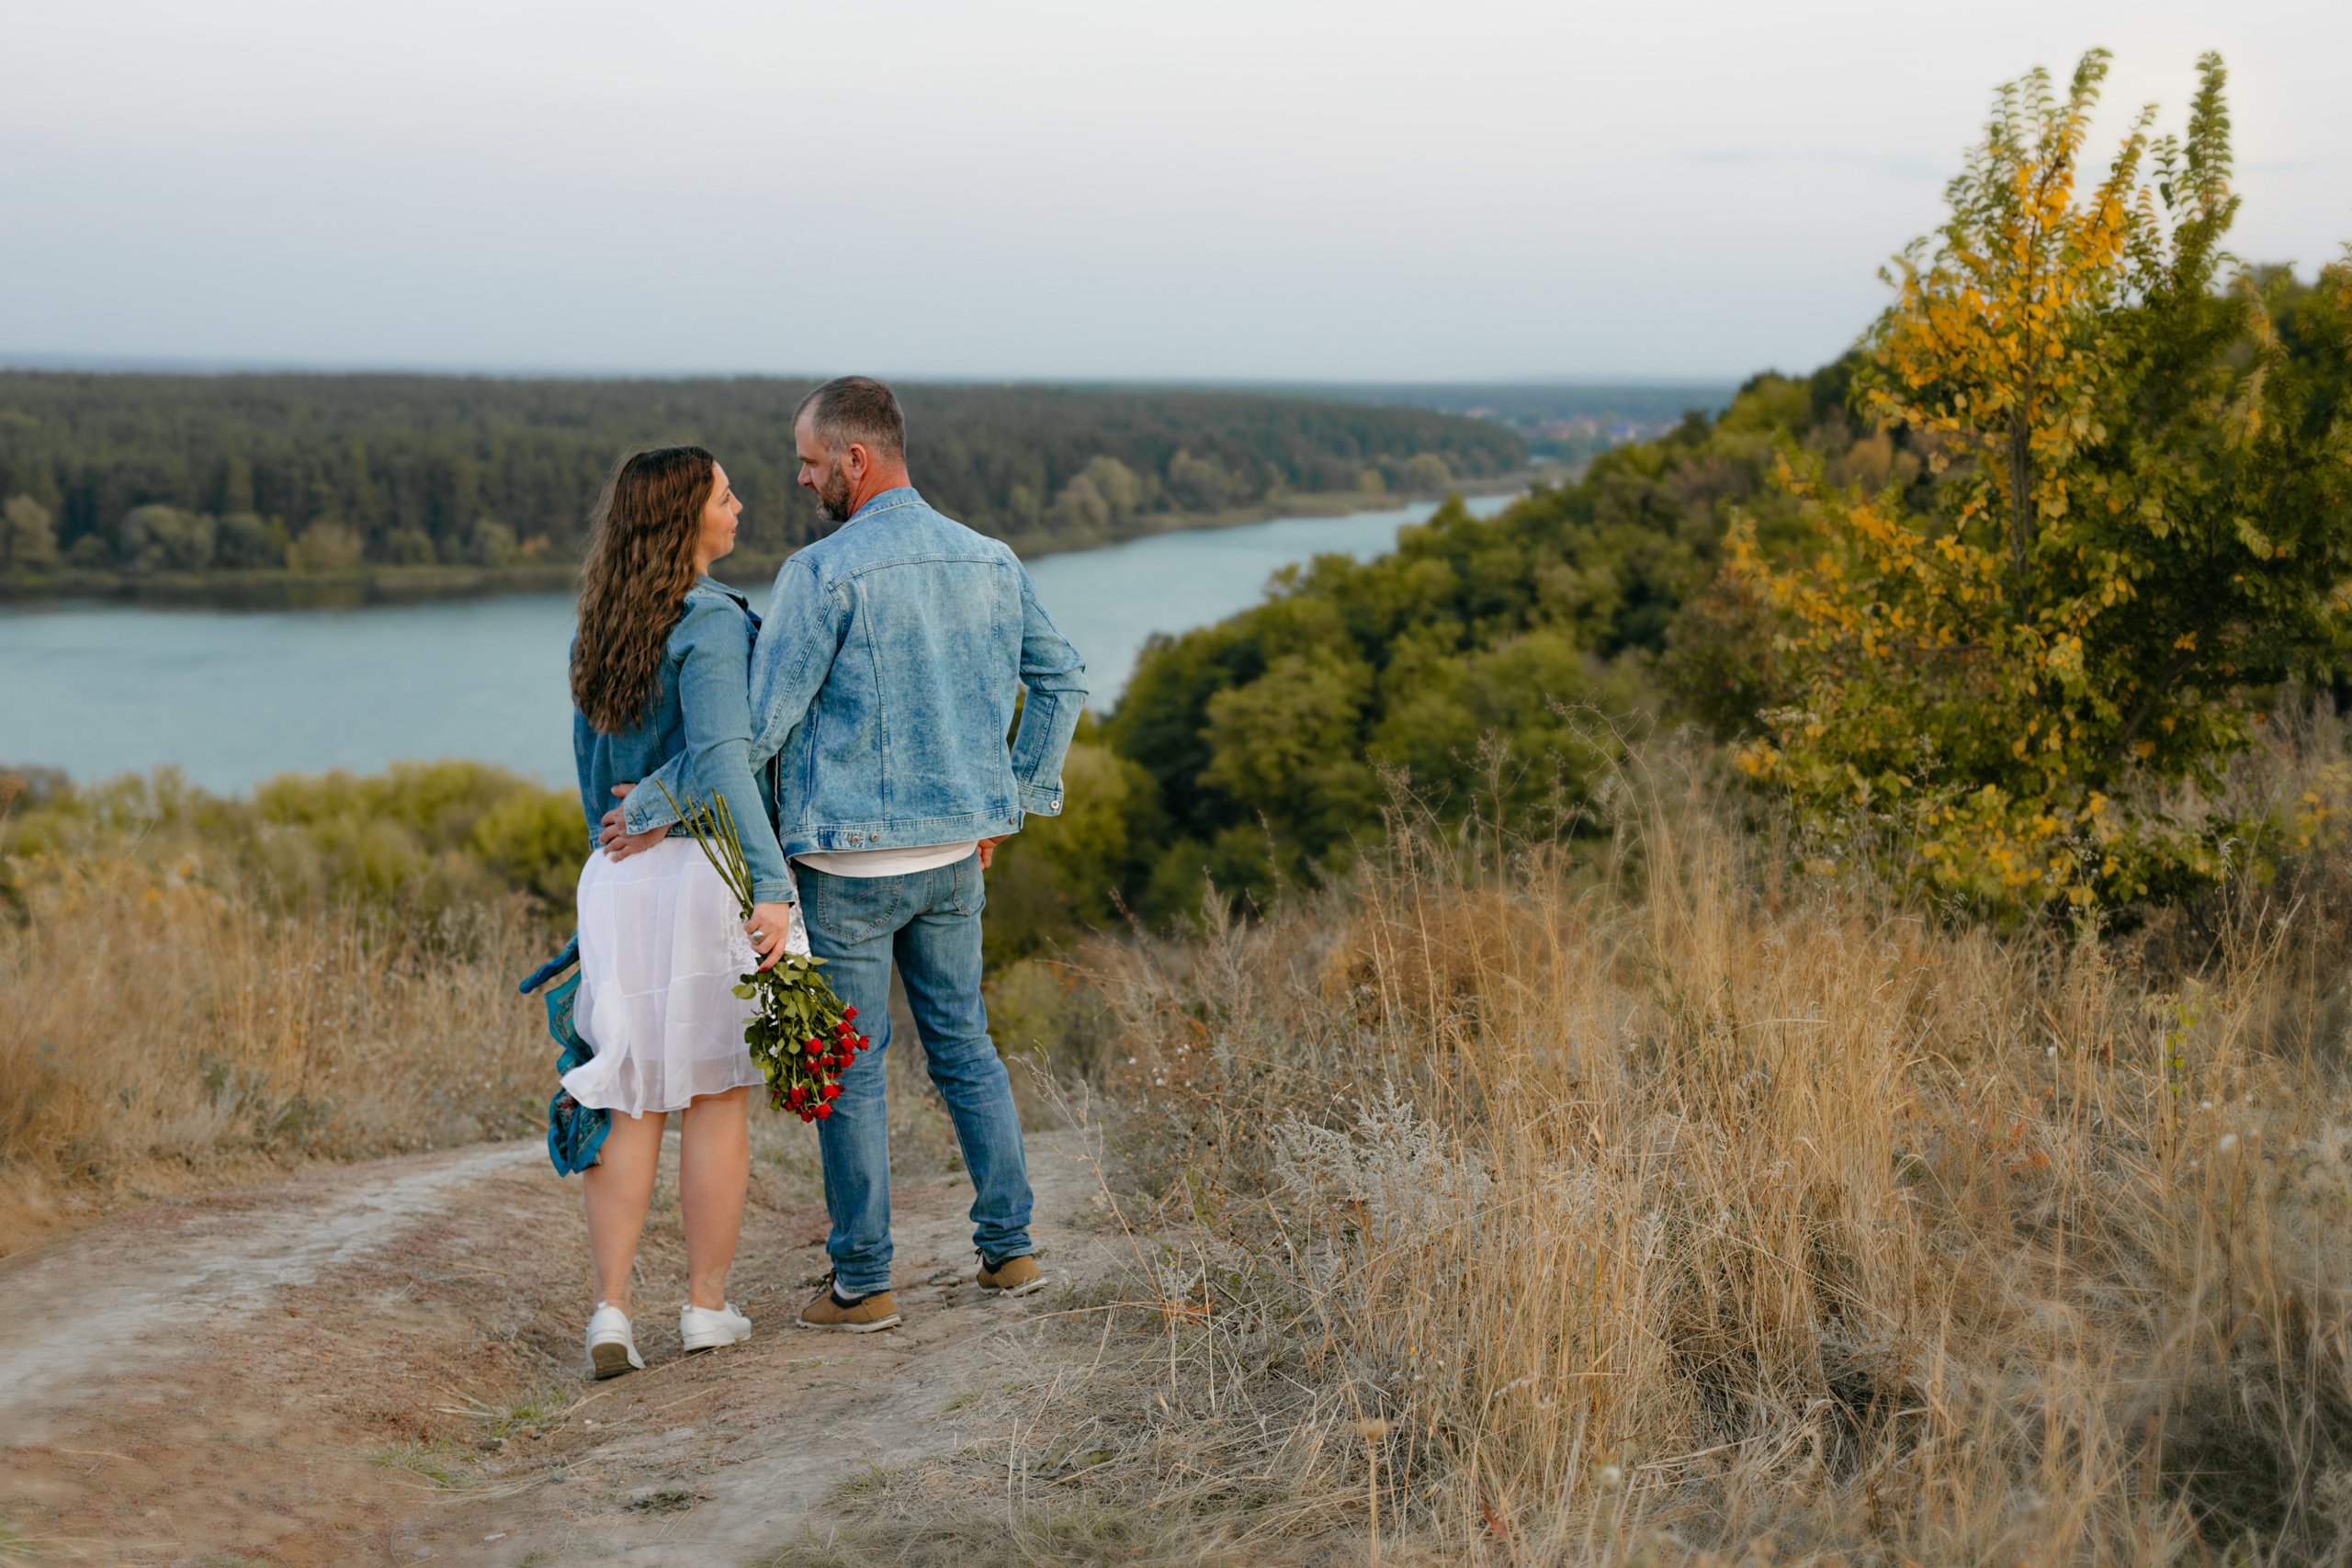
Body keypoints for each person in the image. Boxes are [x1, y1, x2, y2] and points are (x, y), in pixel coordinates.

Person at [607, 376, 1087, 1333]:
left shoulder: (821, 575)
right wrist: (1011, 802)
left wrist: (656, 804)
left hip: (847, 867)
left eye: (809, 460)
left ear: (855, 460)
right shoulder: (990, 558)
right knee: (964, 1048)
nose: (798, 478)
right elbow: (1063, 677)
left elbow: (762, 724)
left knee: (855, 1068)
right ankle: (1010, 1251)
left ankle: (864, 1283)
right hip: (958, 856)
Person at [566, 445, 797, 1377]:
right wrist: (774, 885)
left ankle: (611, 1314)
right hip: (703, 870)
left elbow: (592, 780)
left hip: (618, 877)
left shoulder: (601, 620)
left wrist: (618, 839)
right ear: (683, 518)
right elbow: (724, 759)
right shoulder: (710, 621)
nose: (739, 506)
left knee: (629, 1097)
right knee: (712, 1100)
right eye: (724, 494)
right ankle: (704, 1310)